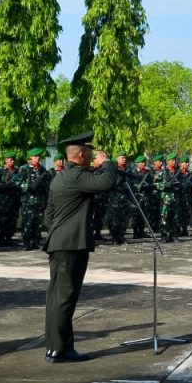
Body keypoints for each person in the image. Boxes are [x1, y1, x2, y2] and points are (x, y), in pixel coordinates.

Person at [43, 131, 119, 362]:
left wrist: (59, 231)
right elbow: (106, 182)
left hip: (60, 242)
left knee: (56, 297)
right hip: (71, 245)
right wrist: (107, 163)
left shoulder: (61, 177)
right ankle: (59, 350)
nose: (92, 155)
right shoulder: (76, 176)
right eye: (89, 151)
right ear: (82, 153)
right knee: (65, 296)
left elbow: (49, 213)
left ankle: (57, 346)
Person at [15, 147, 52, 250]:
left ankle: (35, 242)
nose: (38, 158)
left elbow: (47, 185)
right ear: (30, 158)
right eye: (35, 156)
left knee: (38, 223)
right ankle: (26, 243)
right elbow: (16, 182)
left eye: (39, 156)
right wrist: (28, 186)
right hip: (28, 201)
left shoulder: (42, 170)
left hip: (39, 201)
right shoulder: (24, 169)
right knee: (27, 222)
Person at [0, 152, 22, 246]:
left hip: (14, 201)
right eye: (10, 159)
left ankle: (9, 238)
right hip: (2, 201)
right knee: (2, 220)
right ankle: (1, 239)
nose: (12, 161)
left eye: (13, 159)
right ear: (5, 160)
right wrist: (5, 185)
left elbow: (22, 183)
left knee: (12, 220)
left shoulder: (18, 171)